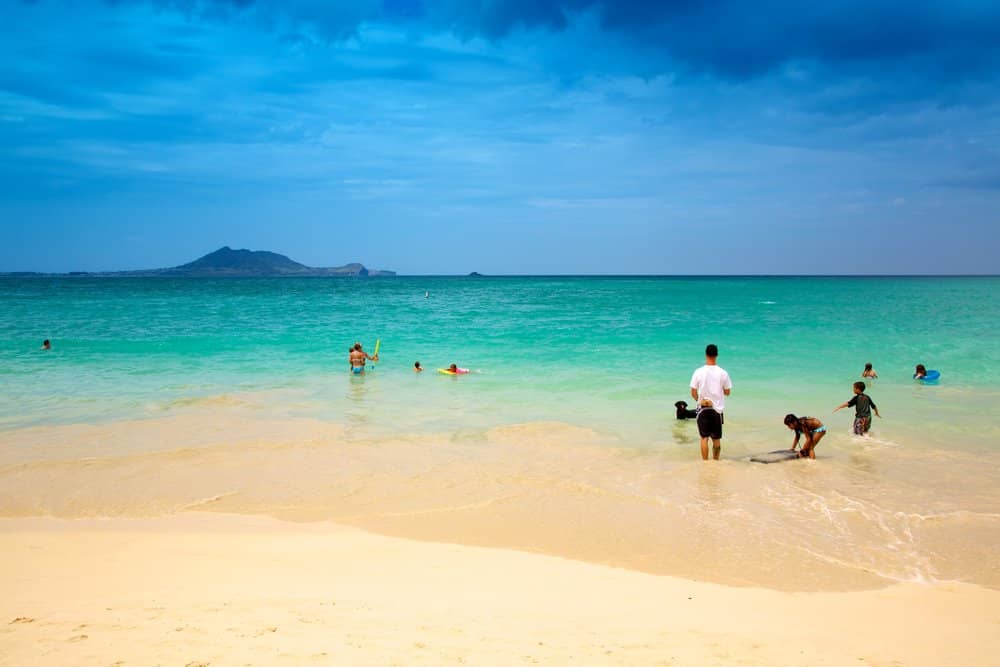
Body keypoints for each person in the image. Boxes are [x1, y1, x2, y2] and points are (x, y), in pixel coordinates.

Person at [689, 344, 733, 460]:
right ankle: (716, 461)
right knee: (716, 439)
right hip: (716, 410)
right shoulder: (723, 373)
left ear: (706, 354)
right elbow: (727, 392)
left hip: (702, 408)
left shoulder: (698, 371)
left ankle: (705, 463)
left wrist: (698, 400)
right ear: (717, 355)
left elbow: (693, 392)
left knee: (704, 438)